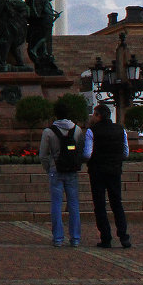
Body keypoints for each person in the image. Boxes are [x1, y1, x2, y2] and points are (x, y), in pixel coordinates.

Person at [84, 104, 131, 248]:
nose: (92, 117)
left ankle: (106, 237)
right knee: (117, 203)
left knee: (100, 205)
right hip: (115, 170)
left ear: (98, 116)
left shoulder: (92, 131)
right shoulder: (120, 130)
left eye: (94, 114)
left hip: (97, 171)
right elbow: (126, 153)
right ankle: (123, 236)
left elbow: (87, 154)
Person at [39, 100, 83, 247]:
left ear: (55, 114)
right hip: (71, 170)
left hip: (55, 170)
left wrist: (49, 167)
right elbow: (80, 151)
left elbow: (43, 155)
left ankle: (58, 238)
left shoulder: (48, 131)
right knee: (74, 204)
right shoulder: (77, 130)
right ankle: (75, 238)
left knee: (56, 205)